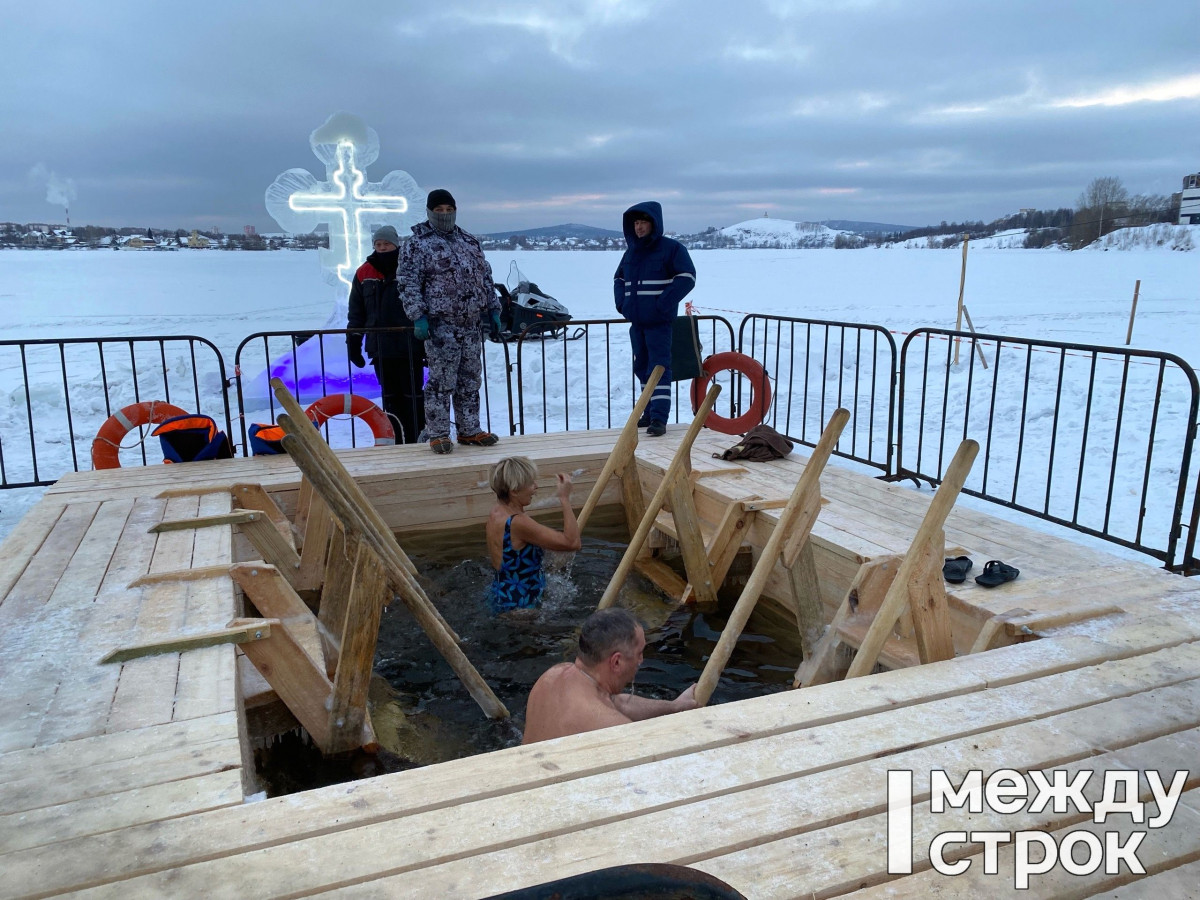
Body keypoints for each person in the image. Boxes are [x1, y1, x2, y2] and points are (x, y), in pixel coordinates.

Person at [400, 189, 502, 454]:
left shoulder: (469, 241)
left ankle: (469, 430)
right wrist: (418, 316)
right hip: (440, 325)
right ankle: (438, 433)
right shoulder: (417, 243)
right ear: (429, 212)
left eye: (449, 209)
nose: (444, 214)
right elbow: (408, 282)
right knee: (441, 381)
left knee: (470, 379)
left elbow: (485, 278)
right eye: (439, 210)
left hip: (471, 324)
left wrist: (493, 309)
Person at [522, 607, 697, 744]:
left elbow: (616, 702)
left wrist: (676, 707)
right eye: (639, 653)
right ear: (616, 662)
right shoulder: (614, 728)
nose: (641, 661)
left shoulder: (552, 675)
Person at [613, 201, 696, 437]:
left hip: (659, 323)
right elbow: (618, 280)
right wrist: (622, 303)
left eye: (643, 222)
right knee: (642, 368)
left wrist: (662, 304)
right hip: (637, 322)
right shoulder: (631, 252)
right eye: (636, 223)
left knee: (659, 368)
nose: (639, 227)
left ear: (654, 223)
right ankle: (647, 412)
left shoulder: (672, 249)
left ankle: (659, 418)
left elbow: (687, 277)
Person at [346, 225, 426, 443]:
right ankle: (395, 439)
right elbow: (356, 313)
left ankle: (418, 437)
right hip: (380, 348)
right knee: (390, 398)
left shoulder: (409, 269)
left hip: (410, 346)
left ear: (396, 245)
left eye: (387, 244)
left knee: (413, 396)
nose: (382, 248)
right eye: (378, 244)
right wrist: (353, 343)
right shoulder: (364, 272)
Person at [486, 456, 581, 614]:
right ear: (514, 491)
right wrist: (564, 498)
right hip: (522, 608)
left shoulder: (497, 512)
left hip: (501, 595)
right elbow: (573, 543)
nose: (536, 487)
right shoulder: (518, 522)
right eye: (530, 483)